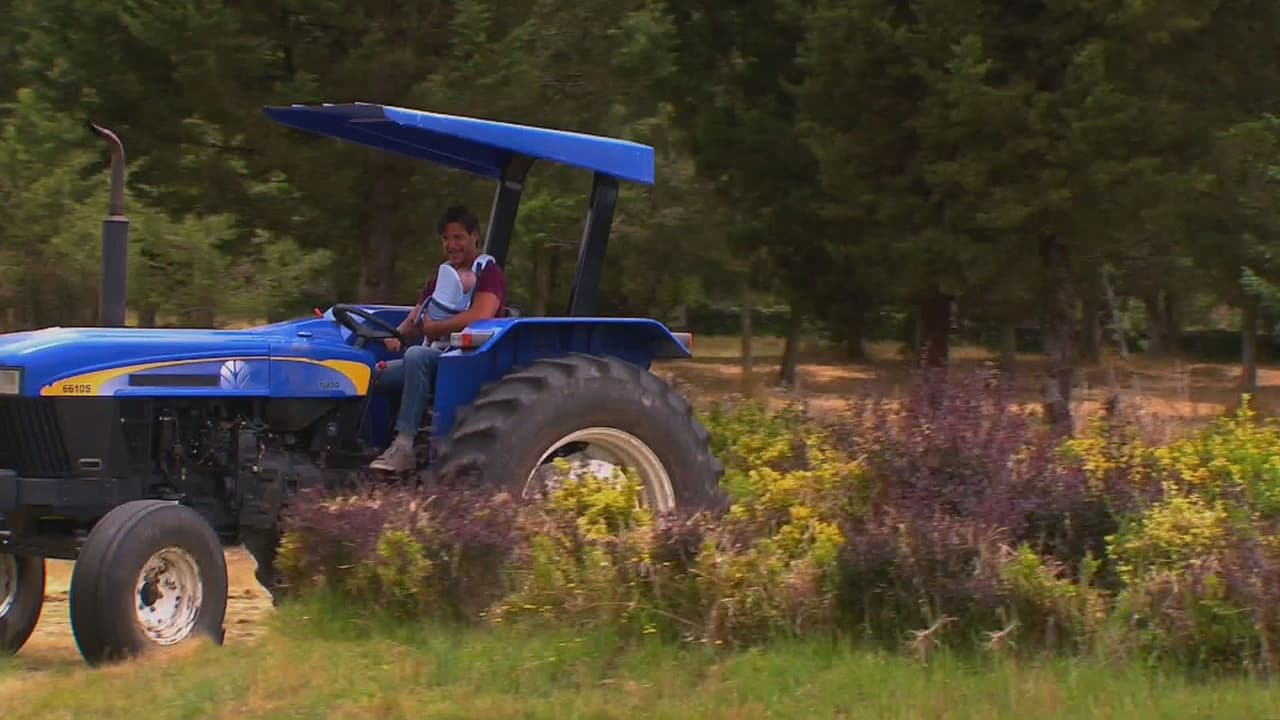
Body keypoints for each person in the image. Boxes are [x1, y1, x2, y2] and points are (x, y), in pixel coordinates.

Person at [369, 204, 507, 473]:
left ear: (474, 237)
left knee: (416, 356)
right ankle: (368, 447)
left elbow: (480, 314)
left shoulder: (489, 274)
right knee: (373, 375)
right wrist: (395, 335)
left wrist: (435, 329)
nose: (451, 244)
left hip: (467, 359)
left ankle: (404, 447)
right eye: (446, 238)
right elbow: (415, 318)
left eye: (458, 237)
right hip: (436, 356)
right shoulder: (441, 278)